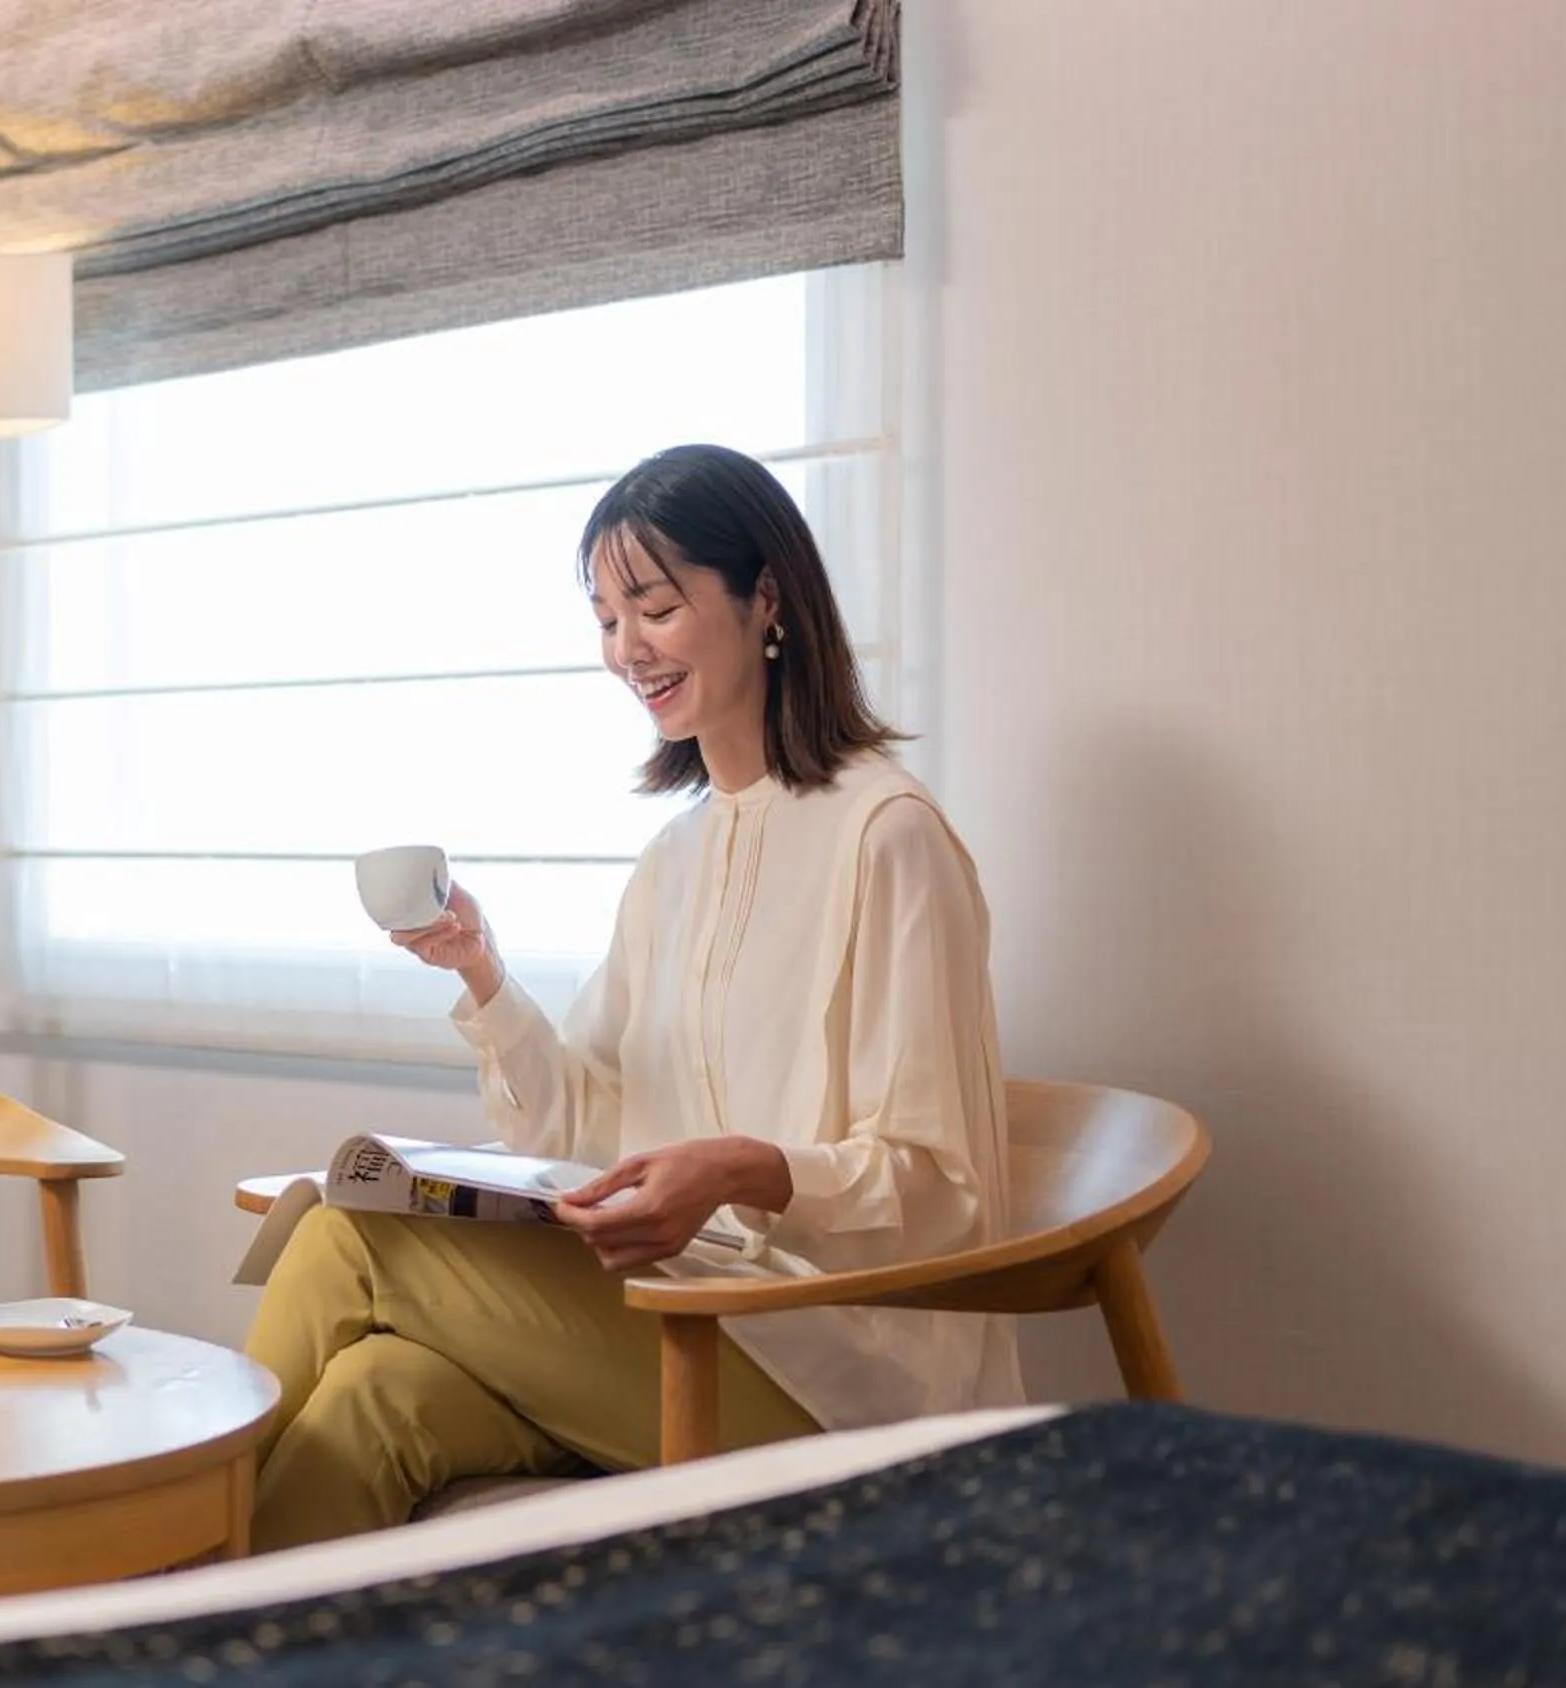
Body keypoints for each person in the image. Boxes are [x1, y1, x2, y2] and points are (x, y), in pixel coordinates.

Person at [242, 443, 1024, 1551]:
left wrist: (749, 1167)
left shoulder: (887, 837)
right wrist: (483, 972)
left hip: (842, 1376)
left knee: (345, 1241)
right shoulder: (677, 856)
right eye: (606, 617)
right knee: (374, 1394)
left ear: (767, 598)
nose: (626, 648)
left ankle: (145, 1563)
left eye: (652, 606)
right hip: (678, 1317)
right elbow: (579, 1126)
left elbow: (946, 1191)